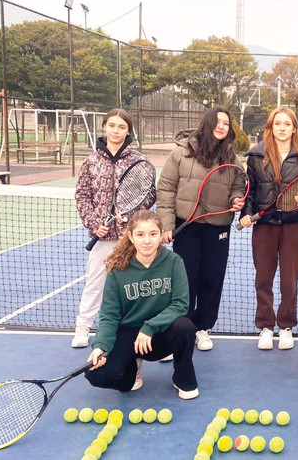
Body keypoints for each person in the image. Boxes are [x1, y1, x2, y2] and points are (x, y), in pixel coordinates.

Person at [157, 107, 246, 352]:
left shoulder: (231, 158)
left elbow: (238, 186)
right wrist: (166, 224)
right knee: (185, 280)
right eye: (217, 121)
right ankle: (182, 328)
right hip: (186, 226)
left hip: (218, 228)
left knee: (212, 279)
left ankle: (203, 328)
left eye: (226, 123)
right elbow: (166, 189)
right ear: (207, 124)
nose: (221, 126)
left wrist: (236, 200)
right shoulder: (181, 153)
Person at [85, 210, 199, 400]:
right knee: (97, 375)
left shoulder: (173, 261)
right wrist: (100, 346)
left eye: (153, 234)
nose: (147, 241)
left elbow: (180, 305)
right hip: (130, 335)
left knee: (185, 327)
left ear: (160, 235)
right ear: (131, 236)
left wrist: (150, 327)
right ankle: (132, 369)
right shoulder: (117, 269)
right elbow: (109, 316)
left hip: (161, 333)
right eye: (140, 234)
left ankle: (183, 377)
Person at [73, 108, 155, 348]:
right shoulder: (91, 161)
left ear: (128, 131)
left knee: (138, 284)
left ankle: (145, 330)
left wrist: (130, 216)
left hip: (131, 236)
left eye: (121, 127)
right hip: (102, 236)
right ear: (104, 127)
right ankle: (83, 326)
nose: (116, 131)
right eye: (112, 126)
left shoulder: (138, 161)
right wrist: (94, 224)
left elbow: (150, 195)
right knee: (95, 283)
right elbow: (82, 195)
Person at [239, 107, 298, 351]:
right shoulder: (256, 155)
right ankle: (265, 326)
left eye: (287, 124)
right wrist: (246, 214)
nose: (282, 128)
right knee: (263, 278)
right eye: (277, 124)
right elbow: (250, 190)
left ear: (294, 129)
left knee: (289, 280)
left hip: (294, 225)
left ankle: (286, 326)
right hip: (264, 226)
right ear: (270, 128)